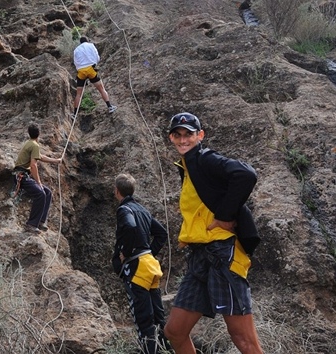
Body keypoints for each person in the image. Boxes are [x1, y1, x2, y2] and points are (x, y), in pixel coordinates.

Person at [163, 112, 263, 354]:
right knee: (174, 332)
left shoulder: (205, 159)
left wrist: (225, 216)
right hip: (200, 256)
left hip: (222, 254)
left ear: (200, 136)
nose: (183, 139)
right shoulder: (188, 167)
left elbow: (246, 175)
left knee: (242, 338)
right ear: (171, 137)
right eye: (178, 134)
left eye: (189, 134)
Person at [112, 173, 171, 354]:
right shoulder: (143, 210)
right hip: (150, 265)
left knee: (143, 320)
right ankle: (166, 350)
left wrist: (127, 253)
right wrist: (148, 252)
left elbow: (129, 227)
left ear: (117, 191)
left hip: (136, 268)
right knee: (159, 318)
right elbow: (161, 234)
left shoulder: (124, 210)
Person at [13, 124, 62, 233]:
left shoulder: (30, 143)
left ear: (29, 133)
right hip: (21, 177)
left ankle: (40, 221)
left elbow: (41, 157)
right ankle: (31, 224)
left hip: (21, 175)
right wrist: (38, 182)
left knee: (48, 192)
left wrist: (56, 160)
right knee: (40, 193)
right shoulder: (34, 145)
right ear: (39, 134)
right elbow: (34, 165)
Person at [73, 36, 117, 115]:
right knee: (101, 89)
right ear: (87, 40)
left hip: (81, 71)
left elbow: (76, 62)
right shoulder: (91, 45)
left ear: (80, 42)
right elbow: (97, 57)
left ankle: (74, 113)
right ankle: (110, 107)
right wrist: (94, 64)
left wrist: (80, 68)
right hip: (91, 69)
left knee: (78, 94)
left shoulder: (76, 50)